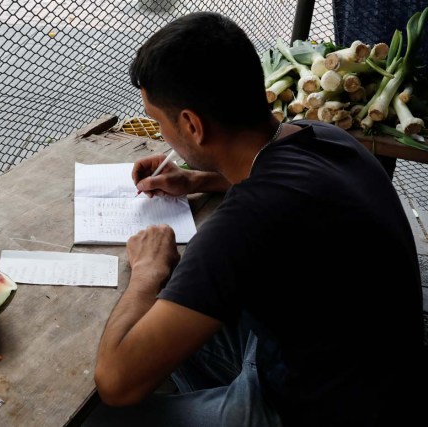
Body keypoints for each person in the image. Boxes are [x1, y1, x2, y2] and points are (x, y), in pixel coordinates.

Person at [82, 11, 425, 427]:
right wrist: (197, 178)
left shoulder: (245, 223)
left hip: (320, 410)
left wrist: (149, 271)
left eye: (159, 122)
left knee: (102, 416)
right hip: (376, 371)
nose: (162, 134)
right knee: (189, 313)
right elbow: (285, 187)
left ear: (192, 124)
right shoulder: (324, 137)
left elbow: (115, 383)